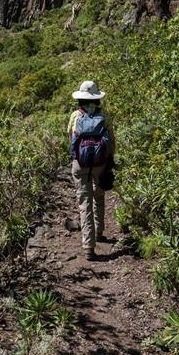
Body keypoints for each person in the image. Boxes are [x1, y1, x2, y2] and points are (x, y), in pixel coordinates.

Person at [67, 80, 116, 261]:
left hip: (80, 164)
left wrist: (75, 157)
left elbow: (70, 137)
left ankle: (88, 246)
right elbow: (111, 140)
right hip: (100, 162)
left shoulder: (75, 116)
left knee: (84, 201)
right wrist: (109, 159)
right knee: (99, 195)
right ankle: (100, 230)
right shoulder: (104, 115)